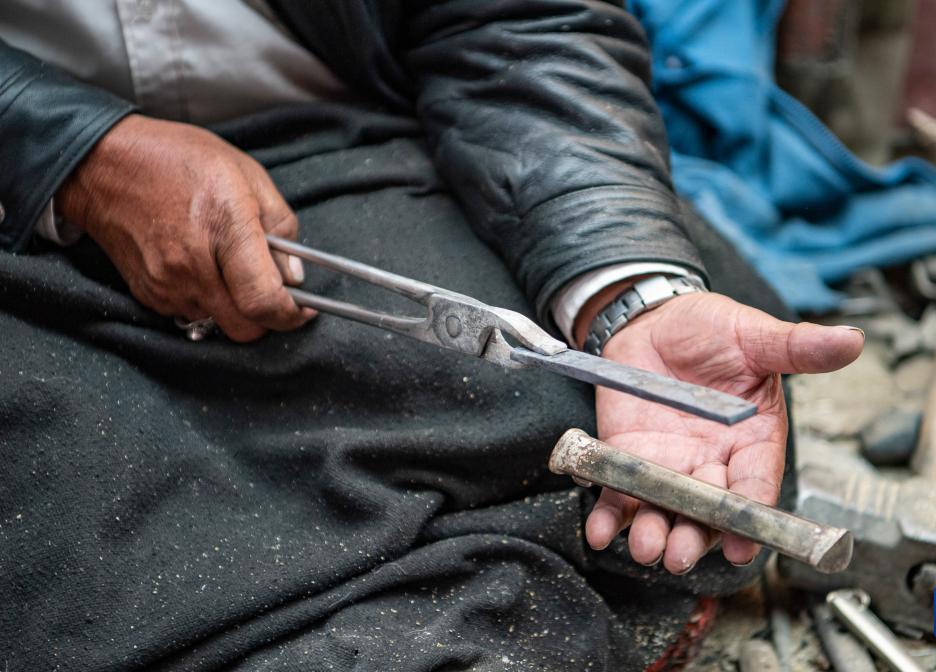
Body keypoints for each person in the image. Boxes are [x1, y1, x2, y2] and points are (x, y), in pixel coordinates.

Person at [0, 1, 863, 669]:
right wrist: (73, 151)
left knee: (613, 424)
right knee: (66, 494)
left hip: (367, 154)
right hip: (27, 225)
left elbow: (523, 25)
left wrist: (626, 295)